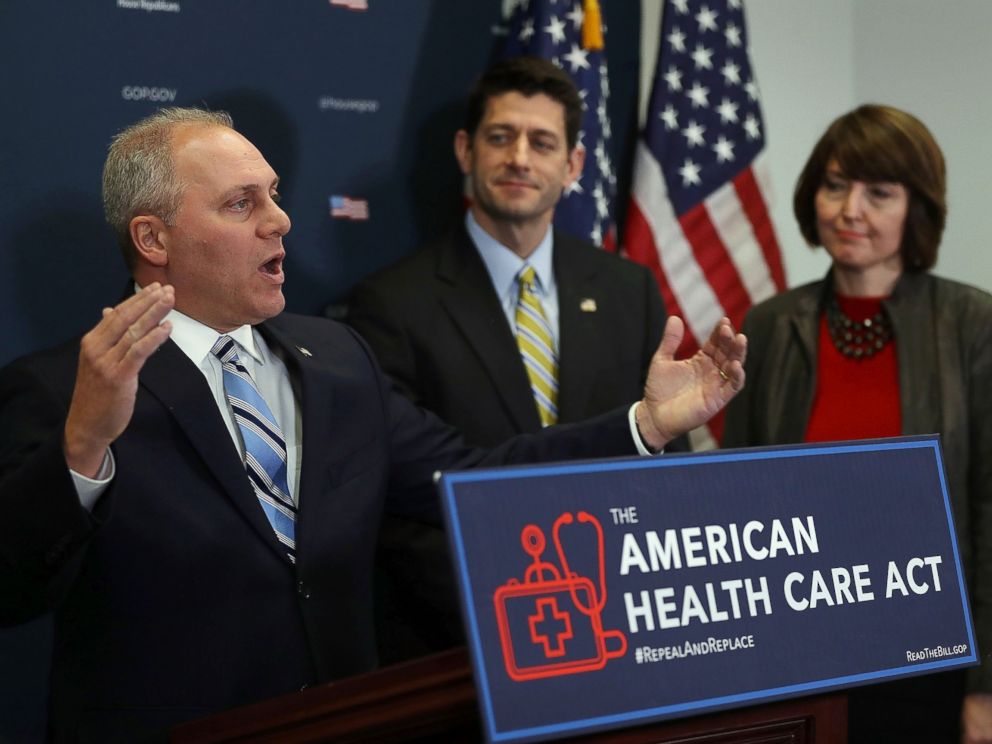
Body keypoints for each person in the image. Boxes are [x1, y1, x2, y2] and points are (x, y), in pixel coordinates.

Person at [0, 107, 745, 741]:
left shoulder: (335, 358)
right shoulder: (60, 391)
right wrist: (83, 446)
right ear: (154, 240)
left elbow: (472, 479)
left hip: (348, 722)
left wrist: (643, 424)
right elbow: (12, 591)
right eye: (241, 204)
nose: (281, 221)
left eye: (275, 197)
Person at [347, 56, 678, 661]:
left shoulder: (629, 291)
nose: (520, 158)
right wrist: (512, 615)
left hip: (625, 633)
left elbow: (660, 476)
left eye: (542, 142)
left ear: (573, 164)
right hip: (463, 646)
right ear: (465, 150)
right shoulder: (390, 303)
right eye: (501, 137)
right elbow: (398, 504)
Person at [722, 104, 992, 744]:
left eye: (880, 193)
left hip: (932, 658)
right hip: (794, 653)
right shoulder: (767, 325)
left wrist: (984, 685)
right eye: (835, 185)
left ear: (916, 208)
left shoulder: (971, 324)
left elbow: (988, 507)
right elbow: (733, 500)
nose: (851, 210)